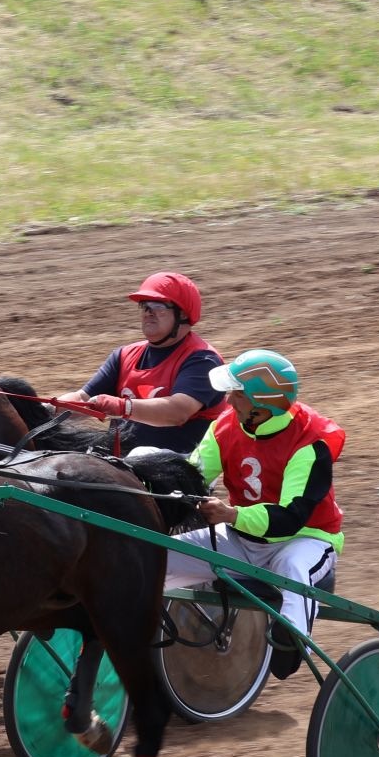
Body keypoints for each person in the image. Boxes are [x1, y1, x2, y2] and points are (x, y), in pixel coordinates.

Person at [164, 350, 344, 681]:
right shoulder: (225, 428)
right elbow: (191, 476)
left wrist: (232, 515)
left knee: (293, 568)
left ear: (262, 406)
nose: (229, 400)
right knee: (155, 558)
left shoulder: (310, 443)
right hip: (240, 539)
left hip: (304, 540)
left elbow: (292, 517)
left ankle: (292, 638)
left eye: (237, 394)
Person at [58, 271, 225, 454]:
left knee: (141, 454)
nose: (148, 313)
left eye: (157, 306)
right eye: (144, 306)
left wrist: (122, 406)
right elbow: (82, 399)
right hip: (124, 466)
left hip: (181, 465)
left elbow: (177, 412)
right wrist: (43, 410)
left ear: (183, 314)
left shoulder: (203, 360)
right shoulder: (123, 355)